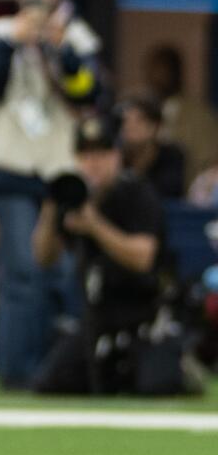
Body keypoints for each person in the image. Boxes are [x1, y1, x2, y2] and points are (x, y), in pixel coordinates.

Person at [0, 0, 102, 389]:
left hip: (59, 166)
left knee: (64, 272)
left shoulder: (76, 36)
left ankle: (64, 368)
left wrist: (60, 50)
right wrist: (13, 43)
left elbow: (89, 94)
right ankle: (17, 372)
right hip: (12, 163)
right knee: (22, 270)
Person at [29, 115, 186, 395]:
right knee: (50, 384)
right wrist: (51, 207)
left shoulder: (136, 193)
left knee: (155, 387)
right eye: (86, 155)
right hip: (96, 322)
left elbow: (143, 258)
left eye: (101, 154)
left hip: (143, 321)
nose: (94, 163)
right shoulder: (74, 197)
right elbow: (43, 257)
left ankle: (182, 365)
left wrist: (95, 227)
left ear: (116, 156)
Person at [144, 44, 218, 178]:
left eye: (165, 69)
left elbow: (209, 159)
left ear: (177, 72)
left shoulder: (200, 115)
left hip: (188, 193)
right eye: (153, 70)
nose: (158, 76)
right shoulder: (142, 113)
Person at [117, 94, 185, 198]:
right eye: (126, 121)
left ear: (155, 126)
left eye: (138, 121)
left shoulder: (172, 156)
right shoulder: (116, 156)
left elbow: (168, 192)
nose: (129, 127)